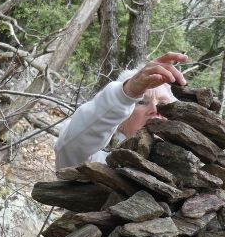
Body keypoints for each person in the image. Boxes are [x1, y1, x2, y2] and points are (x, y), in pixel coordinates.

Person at [55, 52, 188, 169]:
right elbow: (71, 149)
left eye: (163, 104)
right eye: (141, 102)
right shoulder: (101, 163)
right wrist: (127, 93)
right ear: (120, 117)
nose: (154, 109)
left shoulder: (188, 169)